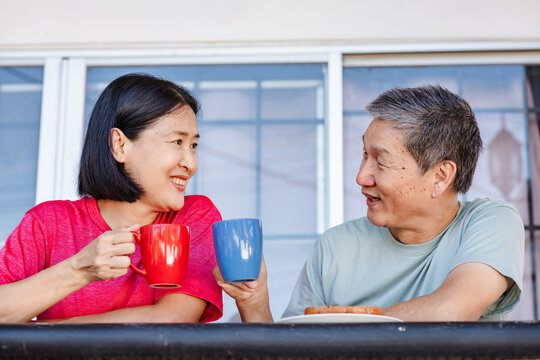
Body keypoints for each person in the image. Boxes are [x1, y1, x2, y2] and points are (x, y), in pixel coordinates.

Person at [215, 84, 525, 322]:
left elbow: (451, 307)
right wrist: (254, 304)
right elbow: (294, 352)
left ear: (441, 176)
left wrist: (341, 326)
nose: (362, 176)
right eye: (365, 155)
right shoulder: (334, 248)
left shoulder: (490, 222)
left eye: (381, 160)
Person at [0, 73, 223, 323]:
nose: (191, 163)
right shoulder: (46, 223)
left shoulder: (194, 217)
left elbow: (172, 319)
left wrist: (42, 332)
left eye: (193, 145)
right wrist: (79, 270)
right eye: (177, 141)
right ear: (120, 145)